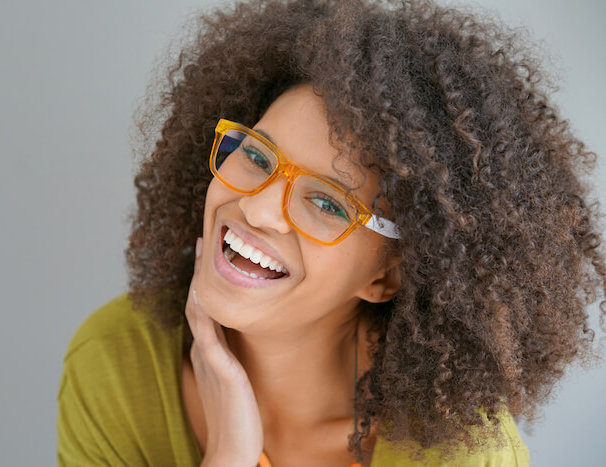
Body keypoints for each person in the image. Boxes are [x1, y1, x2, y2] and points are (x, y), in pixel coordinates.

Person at [56, 0, 606, 466]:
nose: (259, 209)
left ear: (387, 276)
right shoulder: (115, 365)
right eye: (256, 154)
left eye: (326, 203)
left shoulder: (458, 452)